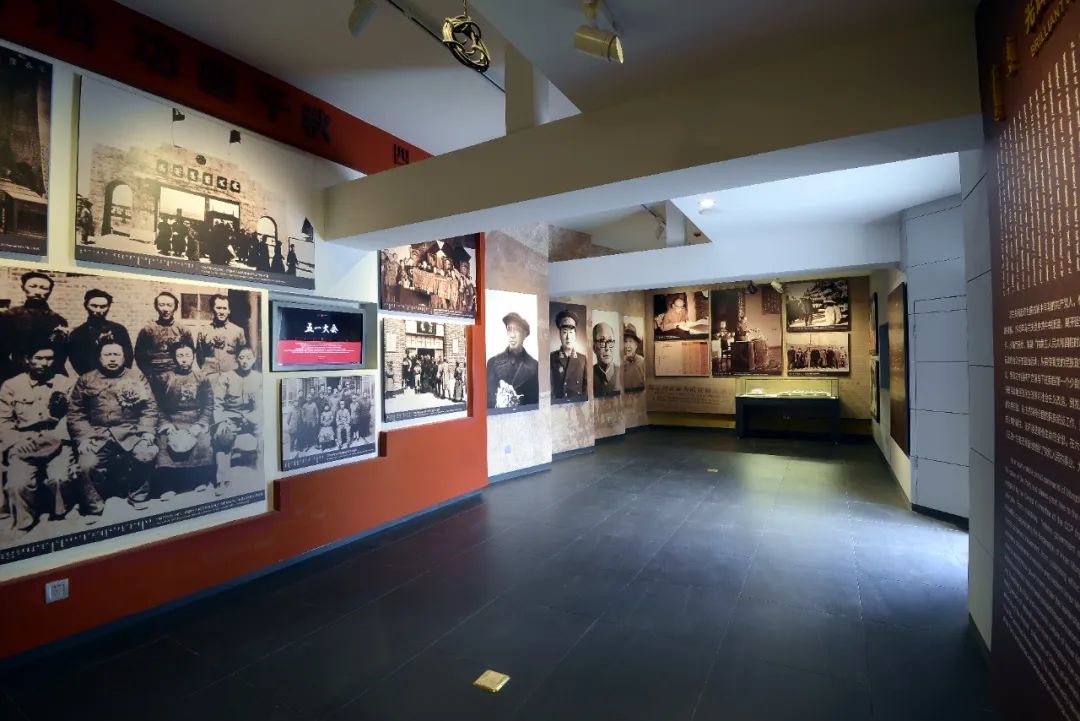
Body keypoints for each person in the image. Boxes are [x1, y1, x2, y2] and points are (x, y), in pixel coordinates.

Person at [0, 343, 91, 530]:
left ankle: (62, 512)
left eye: (49, 358)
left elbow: (72, 416)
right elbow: (3, 421)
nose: (44, 363)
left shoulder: (65, 383)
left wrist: (58, 438)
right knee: (17, 482)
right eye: (39, 358)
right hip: (25, 442)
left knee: (59, 478)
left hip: (56, 440)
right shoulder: (11, 386)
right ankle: (24, 522)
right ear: (28, 359)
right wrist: (17, 441)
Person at [68, 340, 159, 511]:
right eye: (107, 354)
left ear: (123, 358)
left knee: (146, 452)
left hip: (130, 433)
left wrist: (146, 432)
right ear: (99, 358)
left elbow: (150, 408)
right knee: (86, 463)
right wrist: (83, 437)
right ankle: (94, 506)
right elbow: (76, 412)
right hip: (97, 435)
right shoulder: (86, 379)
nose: (112, 359)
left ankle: (138, 496)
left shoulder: (136, 377)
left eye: (116, 355)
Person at [155, 342, 215, 495]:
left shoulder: (201, 378)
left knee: (203, 440)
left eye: (187, 355)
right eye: (180, 355)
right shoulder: (165, 378)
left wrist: (200, 424)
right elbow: (157, 405)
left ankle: (199, 481)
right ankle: (168, 486)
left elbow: (208, 404)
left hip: (195, 420)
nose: (184, 359)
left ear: (193, 357)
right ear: (174, 358)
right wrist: (166, 424)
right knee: (164, 441)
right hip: (172, 420)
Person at [0, 271, 69, 383]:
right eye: (33, 286)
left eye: (43, 288)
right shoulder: (9, 316)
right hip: (14, 373)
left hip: (48, 372)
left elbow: (61, 353)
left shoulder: (58, 320)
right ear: (23, 287)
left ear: (50, 291)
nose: (37, 292)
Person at [211, 346, 261, 493]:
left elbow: (262, 404)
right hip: (230, 418)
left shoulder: (259, 378)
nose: (245, 361)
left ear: (254, 359)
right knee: (222, 436)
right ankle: (222, 480)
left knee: (265, 432)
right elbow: (218, 403)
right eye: (241, 357)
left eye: (249, 358)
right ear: (236, 359)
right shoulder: (226, 377)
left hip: (252, 418)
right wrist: (221, 422)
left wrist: (253, 418)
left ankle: (261, 473)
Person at [134, 291, 195, 399]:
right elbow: (139, 356)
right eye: (161, 305)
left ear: (175, 307)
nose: (165, 309)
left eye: (169, 305)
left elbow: (190, 353)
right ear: (156, 307)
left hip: (177, 376)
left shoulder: (183, 330)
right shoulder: (148, 330)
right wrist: (150, 374)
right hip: (154, 377)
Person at [68, 289, 133, 377]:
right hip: (91, 379)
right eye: (94, 306)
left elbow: (128, 357)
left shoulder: (119, 330)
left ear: (109, 307)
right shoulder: (78, 333)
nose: (98, 310)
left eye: (103, 307)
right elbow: (77, 362)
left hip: (118, 378)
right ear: (86, 306)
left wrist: (120, 376)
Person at [486, 312, 538, 409]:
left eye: (517, 330)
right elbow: (488, 402)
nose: (512, 335)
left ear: (524, 334)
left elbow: (535, 403)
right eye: (509, 329)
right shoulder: (492, 363)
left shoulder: (535, 366)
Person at [195, 294, 247, 377]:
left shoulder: (238, 331)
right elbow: (199, 356)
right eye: (218, 308)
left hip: (231, 376)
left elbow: (242, 355)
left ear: (229, 311)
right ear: (212, 309)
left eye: (224, 308)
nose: (222, 312)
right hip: (210, 376)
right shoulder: (203, 331)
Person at [550, 309, 586, 402]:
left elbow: (586, 390)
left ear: (575, 335)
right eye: (564, 332)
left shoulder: (583, 359)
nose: (568, 337)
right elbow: (550, 390)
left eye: (571, 332)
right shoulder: (551, 358)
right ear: (560, 335)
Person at [592, 322, 620, 397]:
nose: (607, 348)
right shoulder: (588, 376)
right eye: (602, 341)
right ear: (594, 347)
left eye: (610, 341)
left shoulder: (624, 373)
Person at [622, 323, 646, 392]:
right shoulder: (621, 362)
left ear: (636, 345)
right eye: (625, 341)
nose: (627, 345)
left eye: (630, 341)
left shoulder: (643, 362)